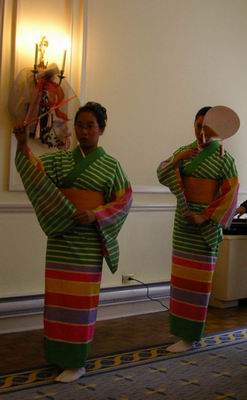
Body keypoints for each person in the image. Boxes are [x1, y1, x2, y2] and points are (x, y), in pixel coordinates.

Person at [14, 102, 132, 382]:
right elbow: (36, 174)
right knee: (57, 301)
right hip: (61, 238)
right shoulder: (59, 160)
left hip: (87, 243)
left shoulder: (111, 166)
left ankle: (77, 362)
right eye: (80, 125)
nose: (84, 131)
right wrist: (22, 145)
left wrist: (95, 214)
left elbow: (124, 200)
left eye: (90, 125)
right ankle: (57, 357)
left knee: (81, 304)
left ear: (101, 129)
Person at [157, 106, 239, 353]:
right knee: (181, 282)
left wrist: (204, 216)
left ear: (217, 128)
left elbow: (231, 195)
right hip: (184, 224)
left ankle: (191, 336)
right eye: (198, 125)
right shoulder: (185, 152)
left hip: (206, 228)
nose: (201, 130)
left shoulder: (225, 158)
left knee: (198, 285)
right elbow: (162, 173)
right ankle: (180, 333)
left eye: (206, 125)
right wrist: (177, 160)